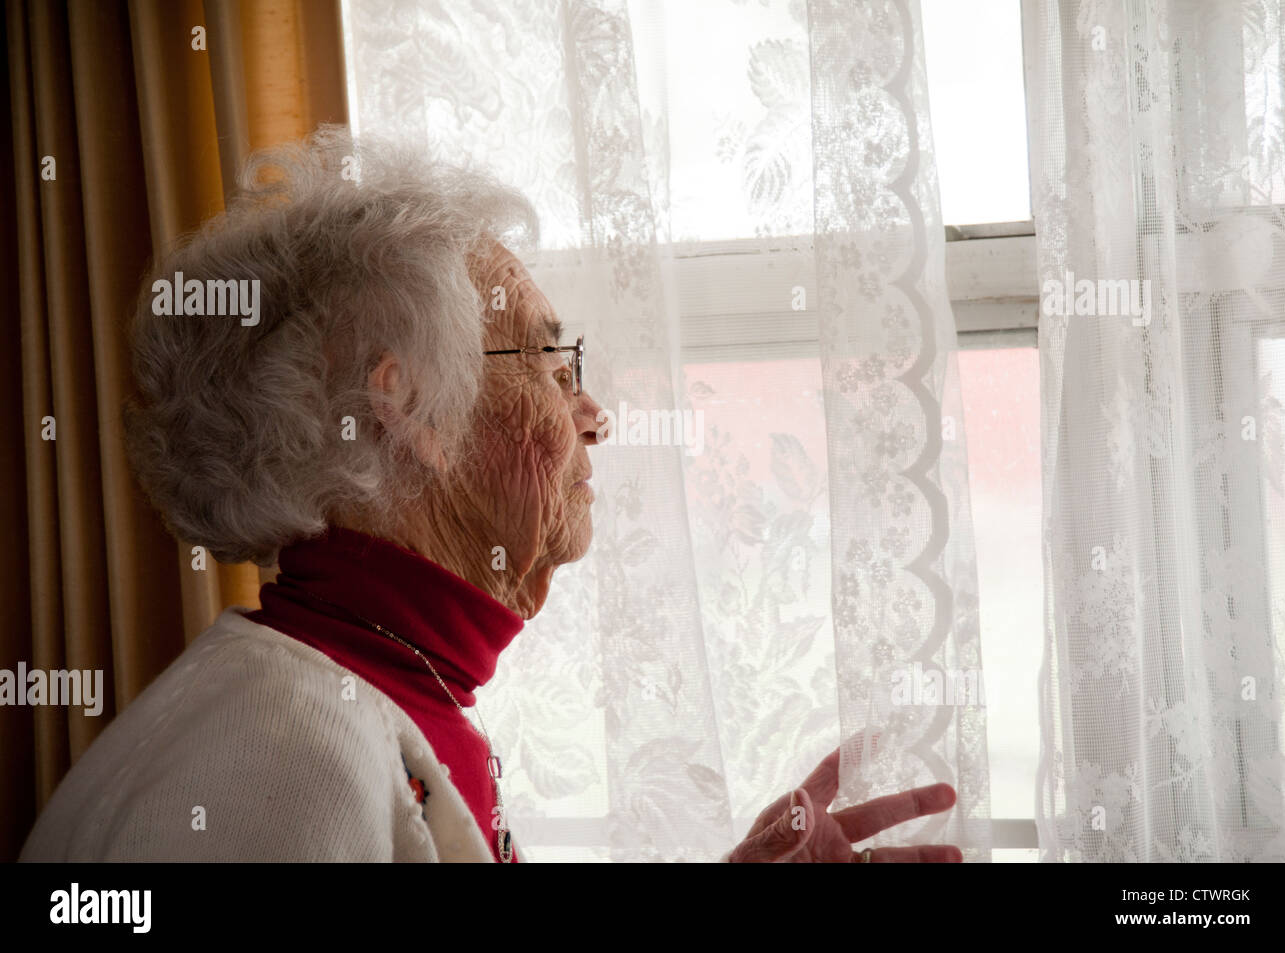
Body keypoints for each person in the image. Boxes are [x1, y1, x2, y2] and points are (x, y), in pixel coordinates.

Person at [20, 126, 962, 863]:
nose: (592, 414)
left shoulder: (369, 688)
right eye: (550, 362)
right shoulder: (282, 766)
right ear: (414, 412)